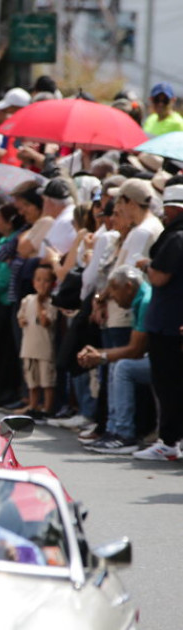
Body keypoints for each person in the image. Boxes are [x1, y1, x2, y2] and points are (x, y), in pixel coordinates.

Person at [77, 266, 151, 453]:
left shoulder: (146, 301)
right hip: (157, 357)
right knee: (117, 364)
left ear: (127, 286)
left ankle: (124, 434)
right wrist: (100, 354)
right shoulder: (140, 299)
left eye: (113, 290)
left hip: (166, 360)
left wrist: (100, 356)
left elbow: (135, 350)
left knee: (123, 366)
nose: (112, 297)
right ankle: (113, 430)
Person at [134, 183, 183, 460]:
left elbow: (159, 277)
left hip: (168, 325)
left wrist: (145, 266)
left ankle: (169, 441)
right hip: (173, 322)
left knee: (168, 383)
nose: (163, 215)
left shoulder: (176, 238)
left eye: (167, 209)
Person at [17, 265, 58, 419]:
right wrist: (22, 320)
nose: (42, 284)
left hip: (45, 349)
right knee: (32, 380)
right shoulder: (27, 300)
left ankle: (47, 408)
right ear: (33, 282)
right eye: (39, 280)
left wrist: (41, 303)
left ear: (53, 283)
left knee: (47, 380)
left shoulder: (52, 302)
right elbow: (20, 318)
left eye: (46, 281)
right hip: (29, 347)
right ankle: (33, 405)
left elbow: (46, 322)